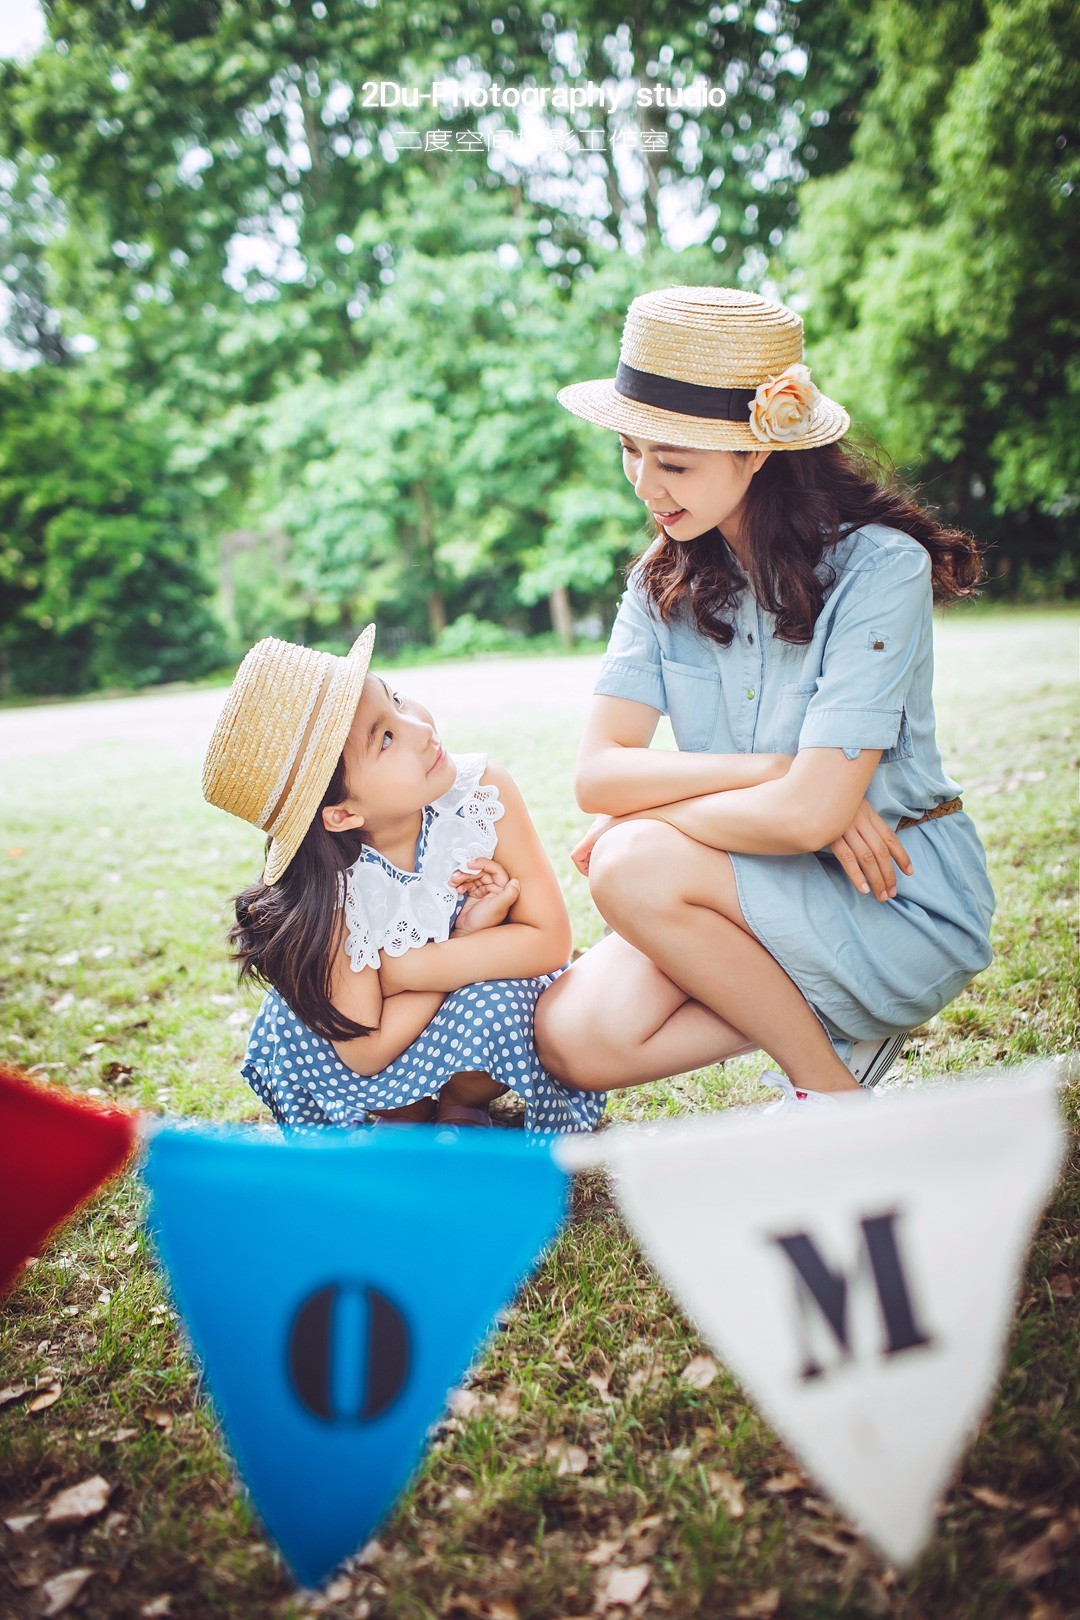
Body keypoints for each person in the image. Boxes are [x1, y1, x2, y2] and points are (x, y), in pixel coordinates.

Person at [533, 285, 995, 1116]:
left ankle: (826, 1090)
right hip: (746, 878)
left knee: (630, 859)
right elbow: (598, 777)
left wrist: (650, 818)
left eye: (673, 462)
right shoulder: (659, 581)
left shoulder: (878, 569)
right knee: (575, 1038)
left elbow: (811, 819)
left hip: (893, 896)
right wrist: (777, 773)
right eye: (630, 451)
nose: (644, 485)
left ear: (760, 453)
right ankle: (822, 1013)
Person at [200, 627, 605, 1136]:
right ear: (343, 814)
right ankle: (404, 1117)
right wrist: (467, 944)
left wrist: (399, 971)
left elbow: (549, 944)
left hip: (448, 1036)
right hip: (362, 1066)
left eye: (394, 697)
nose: (419, 728)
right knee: (388, 1039)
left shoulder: (480, 793)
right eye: (385, 738)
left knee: (511, 1000)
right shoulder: (329, 895)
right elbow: (367, 1051)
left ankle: (463, 1103)